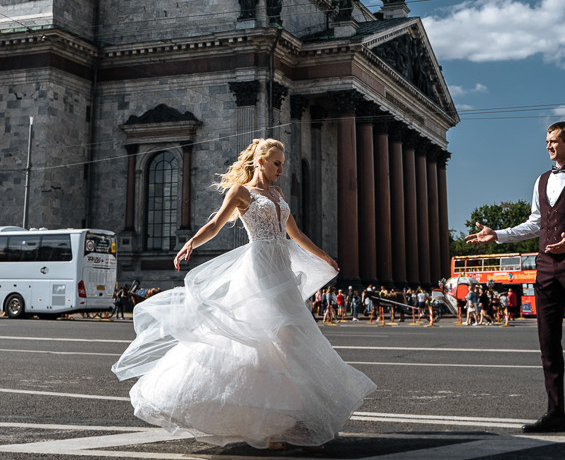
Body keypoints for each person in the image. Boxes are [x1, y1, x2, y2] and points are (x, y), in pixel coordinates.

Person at [111, 138, 375, 450]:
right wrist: (192, 242)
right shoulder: (242, 192)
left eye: (282, 164)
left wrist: (323, 256)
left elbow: (296, 234)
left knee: (289, 340)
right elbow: (216, 224)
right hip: (260, 269)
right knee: (265, 339)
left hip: (283, 272)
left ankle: (279, 419)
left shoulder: (277, 194)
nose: (280, 169)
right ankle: (264, 426)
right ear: (260, 161)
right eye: (276, 163)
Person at [467, 121, 565, 443]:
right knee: (548, 344)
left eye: (554, 141)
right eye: (547, 142)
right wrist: (498, 235)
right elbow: (536, 224)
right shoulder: (541, 180)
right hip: (545, 267)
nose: (548, 147)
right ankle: (556, 414)